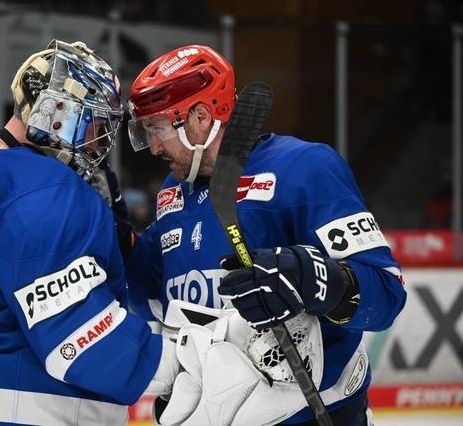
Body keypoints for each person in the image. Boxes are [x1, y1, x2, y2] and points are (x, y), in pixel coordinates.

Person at [125, 45, 407, 425]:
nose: (154, 146)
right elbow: (150, 297)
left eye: (158, 128)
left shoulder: (304, 168)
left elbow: (386, 294)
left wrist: (311, 277)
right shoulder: (173, 192)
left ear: (200, 118)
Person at [0, 40, 179, 425]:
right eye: (96, 125)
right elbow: (83, 344)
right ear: (57, 113)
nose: (98, 144)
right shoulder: (47, 190)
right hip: (18, 407)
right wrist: (191, 362)